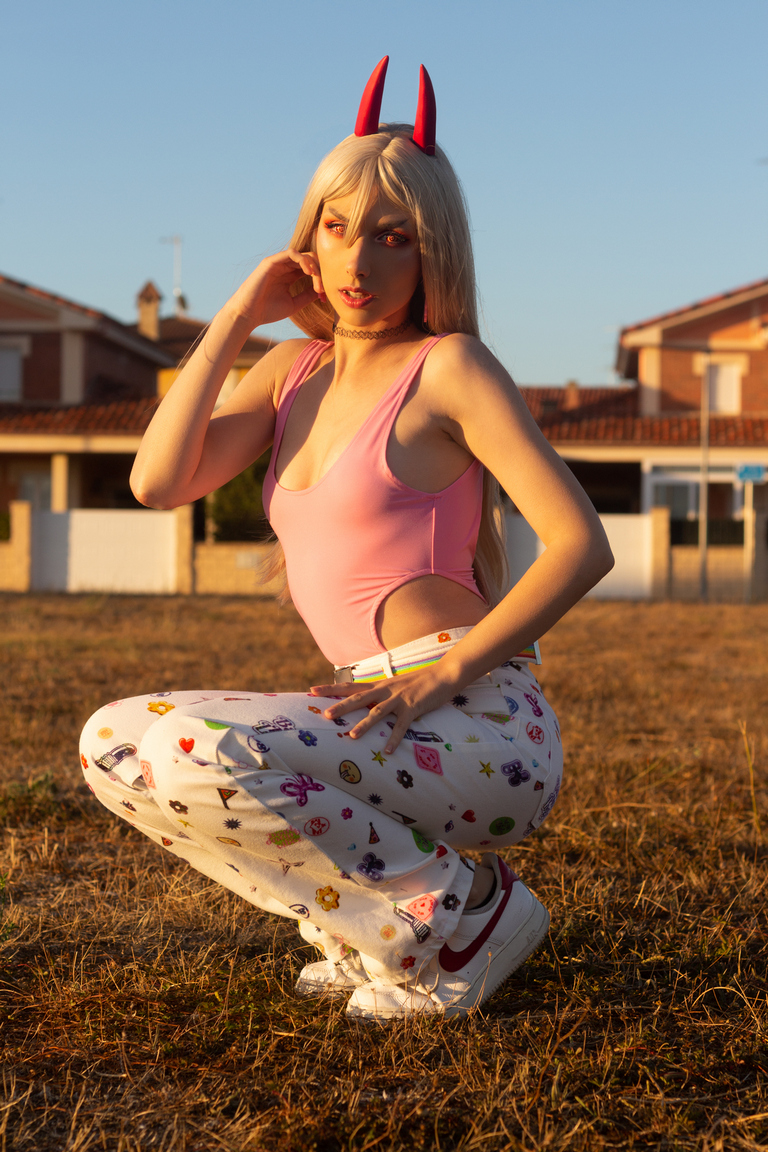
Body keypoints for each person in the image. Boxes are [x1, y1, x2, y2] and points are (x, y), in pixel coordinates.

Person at [79, 58, 613, 1020]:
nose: (359, 262)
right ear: (308, 241)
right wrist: (241, 313)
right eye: (338, 228)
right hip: (381, 714)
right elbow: (157, 481)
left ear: (432, 254)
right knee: (113, 743)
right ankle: (371, 928)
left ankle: (463, 917)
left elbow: (582, 544)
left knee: (197, 749)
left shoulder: (448, 369)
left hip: (482, 726)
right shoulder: (290, 372)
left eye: (394, 237)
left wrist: (446, 674)